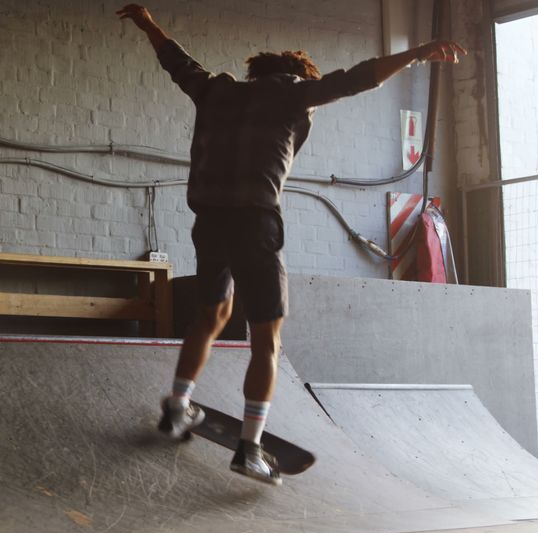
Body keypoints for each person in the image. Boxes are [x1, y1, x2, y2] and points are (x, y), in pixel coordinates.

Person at [117, 4, 466, 485]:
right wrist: (420, 52)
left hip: (209, 220)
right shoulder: (296, 97)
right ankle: (250, 448)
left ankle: (178, 404)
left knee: (211, 316)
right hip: (255, 224)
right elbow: (360, 77)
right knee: (267, 340)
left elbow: (175, 58)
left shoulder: (215, 90)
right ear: (297, 78)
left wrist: (146, 21)